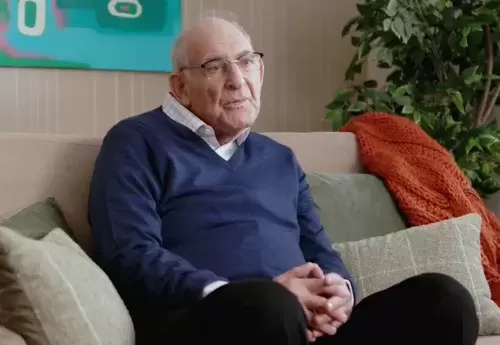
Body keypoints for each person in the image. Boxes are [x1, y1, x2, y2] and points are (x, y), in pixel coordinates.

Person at [88, 16, 479, 345]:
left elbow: (318, 248)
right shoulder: (135, 141)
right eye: (214, 66)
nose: (236, 79)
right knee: (267, 306)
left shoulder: (279, 158)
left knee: (444, 299)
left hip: (303, 326)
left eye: (246, 62)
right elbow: (129, 252)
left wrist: (339, 292)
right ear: (180, 87)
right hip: (211, 318)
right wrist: (244, 292)